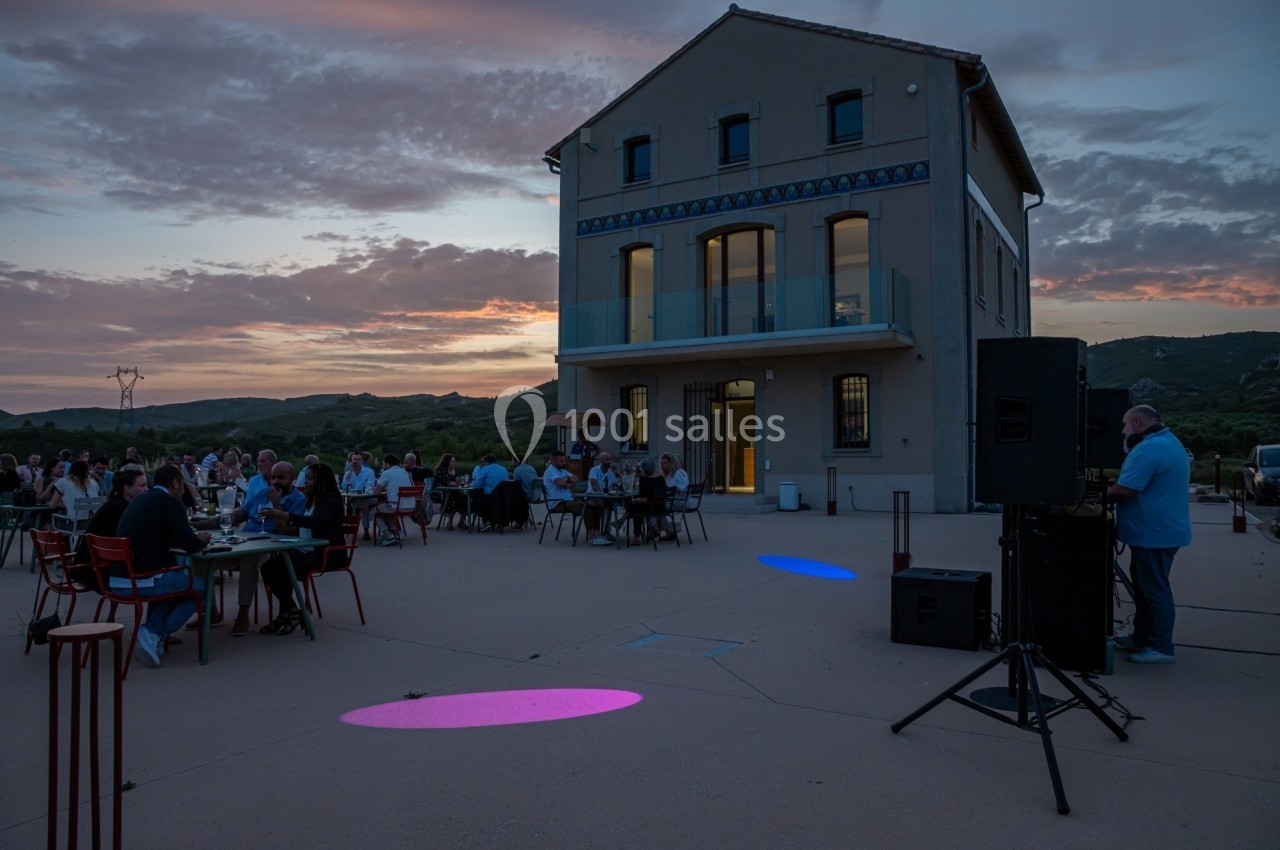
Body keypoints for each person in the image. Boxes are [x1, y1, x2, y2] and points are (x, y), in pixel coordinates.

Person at [1107, 405, 1192, 665]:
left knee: (1155, 591)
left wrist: (1097, 495)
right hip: (1160, 531)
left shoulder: (1147, 449)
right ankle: (1142, 637)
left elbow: (1126, 491)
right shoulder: (1168, 441)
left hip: (1154, 534)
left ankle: (1161, 647)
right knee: (1145, 589)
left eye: (1124, 424)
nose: (1123, 431)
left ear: (1136, 422)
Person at [112, 465, 212, 669]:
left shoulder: (140, 499)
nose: (183, 488)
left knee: (177, 582)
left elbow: (160, 533)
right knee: (201, 587)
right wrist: (200, 540)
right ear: (176, 483)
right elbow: (191, 545)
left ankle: (152, 634)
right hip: (142, 580)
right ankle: (153, 632)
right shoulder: (171, 502)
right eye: (182, 483)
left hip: (117, 578)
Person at [198, 461, 306, 636]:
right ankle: (211, 611)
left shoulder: (298, 500)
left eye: (282, 477)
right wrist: (199, 524)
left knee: (250, 558)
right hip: (243, 541)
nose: (276, 481)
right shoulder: (263, 493)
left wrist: (277, 504)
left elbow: (289, 533)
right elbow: (237, 516)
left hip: (269, 548)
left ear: (292, 479)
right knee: (201, 558)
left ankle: (243, 615)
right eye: (273, 477)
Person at [260, 462, 346, 636]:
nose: (306, 482)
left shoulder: (331, 501)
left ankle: (288, 614)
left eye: (311, 479)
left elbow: (315, 522)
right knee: (268, 568)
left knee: (284, 570)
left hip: (326, 553)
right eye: (306, 478)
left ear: (322, 481)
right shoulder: (312, 500)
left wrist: (281, 514)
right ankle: (291, 612)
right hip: (306, 550)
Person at [73, 469, 149, 587]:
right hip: (102, 573)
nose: (147, 489)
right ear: (127, 488)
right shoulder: (122, 509)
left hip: (90, 569)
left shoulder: (115, 503)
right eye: (142, 485)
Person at [612, 458, 668, 546]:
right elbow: (662, 494)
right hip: (661, 507)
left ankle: (635, 536)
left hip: (650, 508)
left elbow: (643, 497)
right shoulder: (660, 478)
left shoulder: (644, 480)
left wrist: (636, 499)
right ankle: (647, 531)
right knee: (635, 507)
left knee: (634, 508)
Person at [371, 454, 413, 544]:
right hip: (411, 505)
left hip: (397, 506)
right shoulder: (405, 472)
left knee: (374, 511)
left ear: (387, 464)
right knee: (386, 509)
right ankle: (396, 533)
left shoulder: (387, 473)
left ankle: (388, 535)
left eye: (384, 464)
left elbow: (376, 492)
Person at [341, 451, 377, 540]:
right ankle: (365, 530)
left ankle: (360, 528)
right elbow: (344, 486)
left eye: (358, 459)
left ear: (362, 461)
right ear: (351, 461)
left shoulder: (369, 472)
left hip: (369, 498)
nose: (356, 461)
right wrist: (350, 472)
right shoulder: (348, 473)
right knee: (363, 504)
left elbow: (370, 486)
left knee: (363, 502)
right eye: (354, 459)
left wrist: (356, 490)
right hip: (355, 498)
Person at [468, 454, 509, 531]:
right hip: (504, 498)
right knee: (484, 498)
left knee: (475, 502)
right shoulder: (504, 469)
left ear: (486, 462)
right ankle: (496, 521)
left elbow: (476, 485)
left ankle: (487, 521)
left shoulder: (486, 469)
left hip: (491, 498)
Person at [542, 450, 584, 524]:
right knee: (587, 507)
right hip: (558, 503)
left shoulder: (562, 471)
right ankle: (592, 532)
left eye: (564, 460)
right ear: (554, 461)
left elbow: (577, 478)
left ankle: (593, 531)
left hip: (568, 501)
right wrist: (568, 481)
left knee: (591, 505)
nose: (564, 463)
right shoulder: (550, 471)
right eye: (561, 461)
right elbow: (563, 484)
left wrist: (566, 479)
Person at [584, 452, 618, 544]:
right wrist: (602, 495)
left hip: (606, 497)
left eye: (611, 459)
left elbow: (616, 485)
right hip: (593, 496)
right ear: (601, 460)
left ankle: (606, 531)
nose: (609, 461)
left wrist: (616, 473)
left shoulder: (611, 472)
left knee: (613, 504)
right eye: (607, 459)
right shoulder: (594, 470)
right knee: (603, 504)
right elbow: (594, 483)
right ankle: (598, 532)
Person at [432, 453, 467, 530]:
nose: (454, 463)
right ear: (447, 462)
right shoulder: (441, 470)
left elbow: (457, 482)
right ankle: (450, 522)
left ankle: (461, 521)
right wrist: (457, 483)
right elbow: (448, 482)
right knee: (453, 498)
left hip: (453, 491)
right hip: (441, 493)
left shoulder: (453, 470)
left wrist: (458, 482)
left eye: (454, 461)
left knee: (465, 498)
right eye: (452, 461)